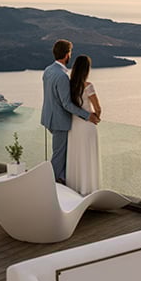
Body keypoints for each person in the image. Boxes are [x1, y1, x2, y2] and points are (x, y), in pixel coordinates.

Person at [41, 40, 99, 184]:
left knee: (63, 153)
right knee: (59, 155)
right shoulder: (62, 76)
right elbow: (66, 104)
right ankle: (49, 186)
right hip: (59, 121)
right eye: (70, 53)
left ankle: (63, 180)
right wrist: (88, 116)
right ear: (67, 55)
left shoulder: (48, 70)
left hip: (48, 117)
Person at [66, 55, 102, 195]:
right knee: (88, 157)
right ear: (87, 69)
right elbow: (97, 108)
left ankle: (75, 190)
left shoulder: (68, 86)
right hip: (87, 126)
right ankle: (89, 190)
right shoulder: (88, 86)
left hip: (74, 126)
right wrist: (96, 117)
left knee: (76, 156)